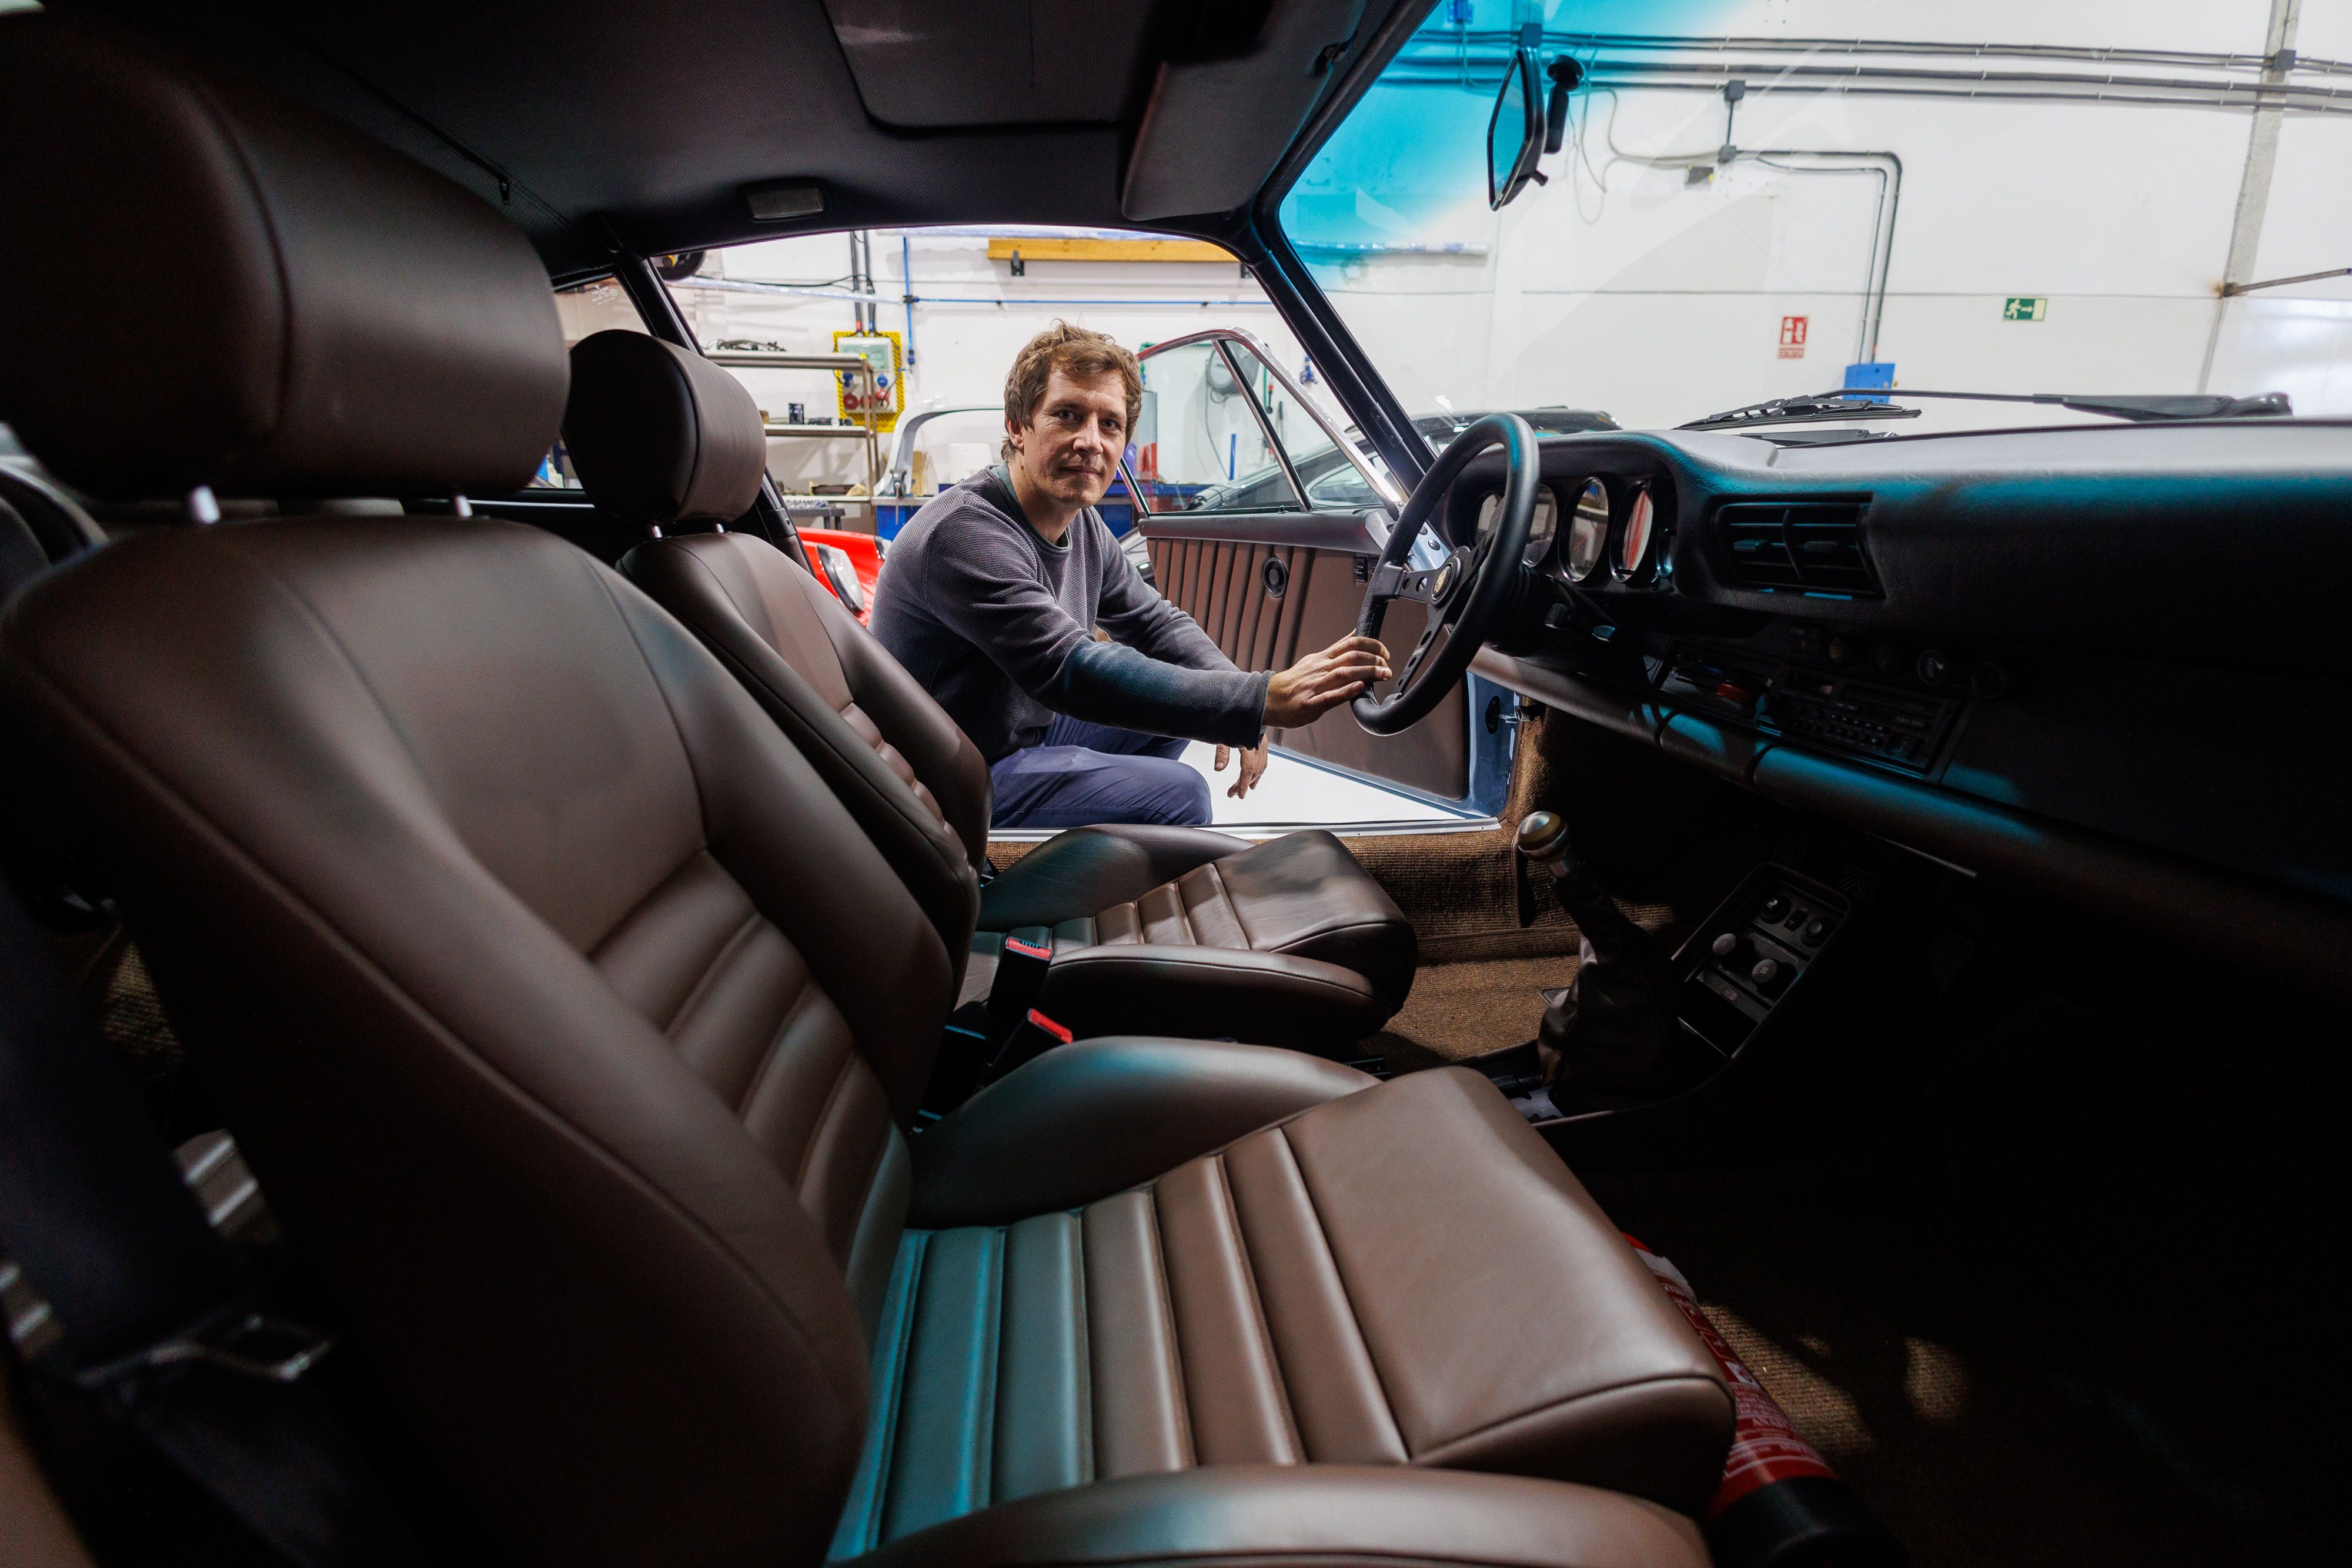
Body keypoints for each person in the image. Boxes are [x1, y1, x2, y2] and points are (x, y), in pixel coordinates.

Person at [870, 322, 1389, 830]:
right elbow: (1072, 671)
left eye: (1110, 424)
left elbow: (1153, 622)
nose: (1090, 441)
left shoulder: (1082, 523)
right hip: (951, 774)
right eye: (1067, 416)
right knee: (1182, 795)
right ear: (1017, 426)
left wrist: (1235, 694)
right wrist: (1260, 698)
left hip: (1020, 728)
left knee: (1170, 723)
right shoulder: (965, 534)